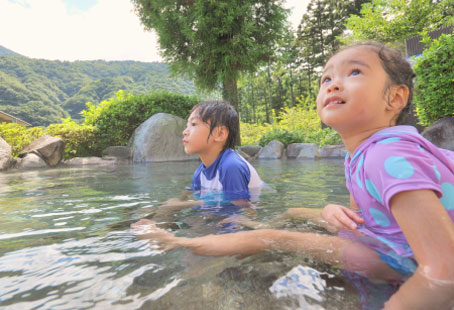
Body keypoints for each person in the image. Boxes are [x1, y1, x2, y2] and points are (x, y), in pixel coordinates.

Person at [132, 43, 454, 309]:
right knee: (293, 213)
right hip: (391, 243)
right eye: (325, 79)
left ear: (395, 98)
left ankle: (174, 243)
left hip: (406, 262)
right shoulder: (360, 154)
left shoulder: (387, 155)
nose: (333, 83)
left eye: (354, 72)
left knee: (274, 237)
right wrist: (329, 211)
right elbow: (361, 217)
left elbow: (444, 270)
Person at [149, 100, 263, 224]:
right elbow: (191, 196)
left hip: (239, 216)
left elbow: (243, 210)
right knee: (167, 214)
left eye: (193, 124)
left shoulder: (231, 166)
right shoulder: (200, 173)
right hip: (223, 212)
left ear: (220, 134)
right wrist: (170, 204)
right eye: (187, 125)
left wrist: (180, 206)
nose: (185, 131)